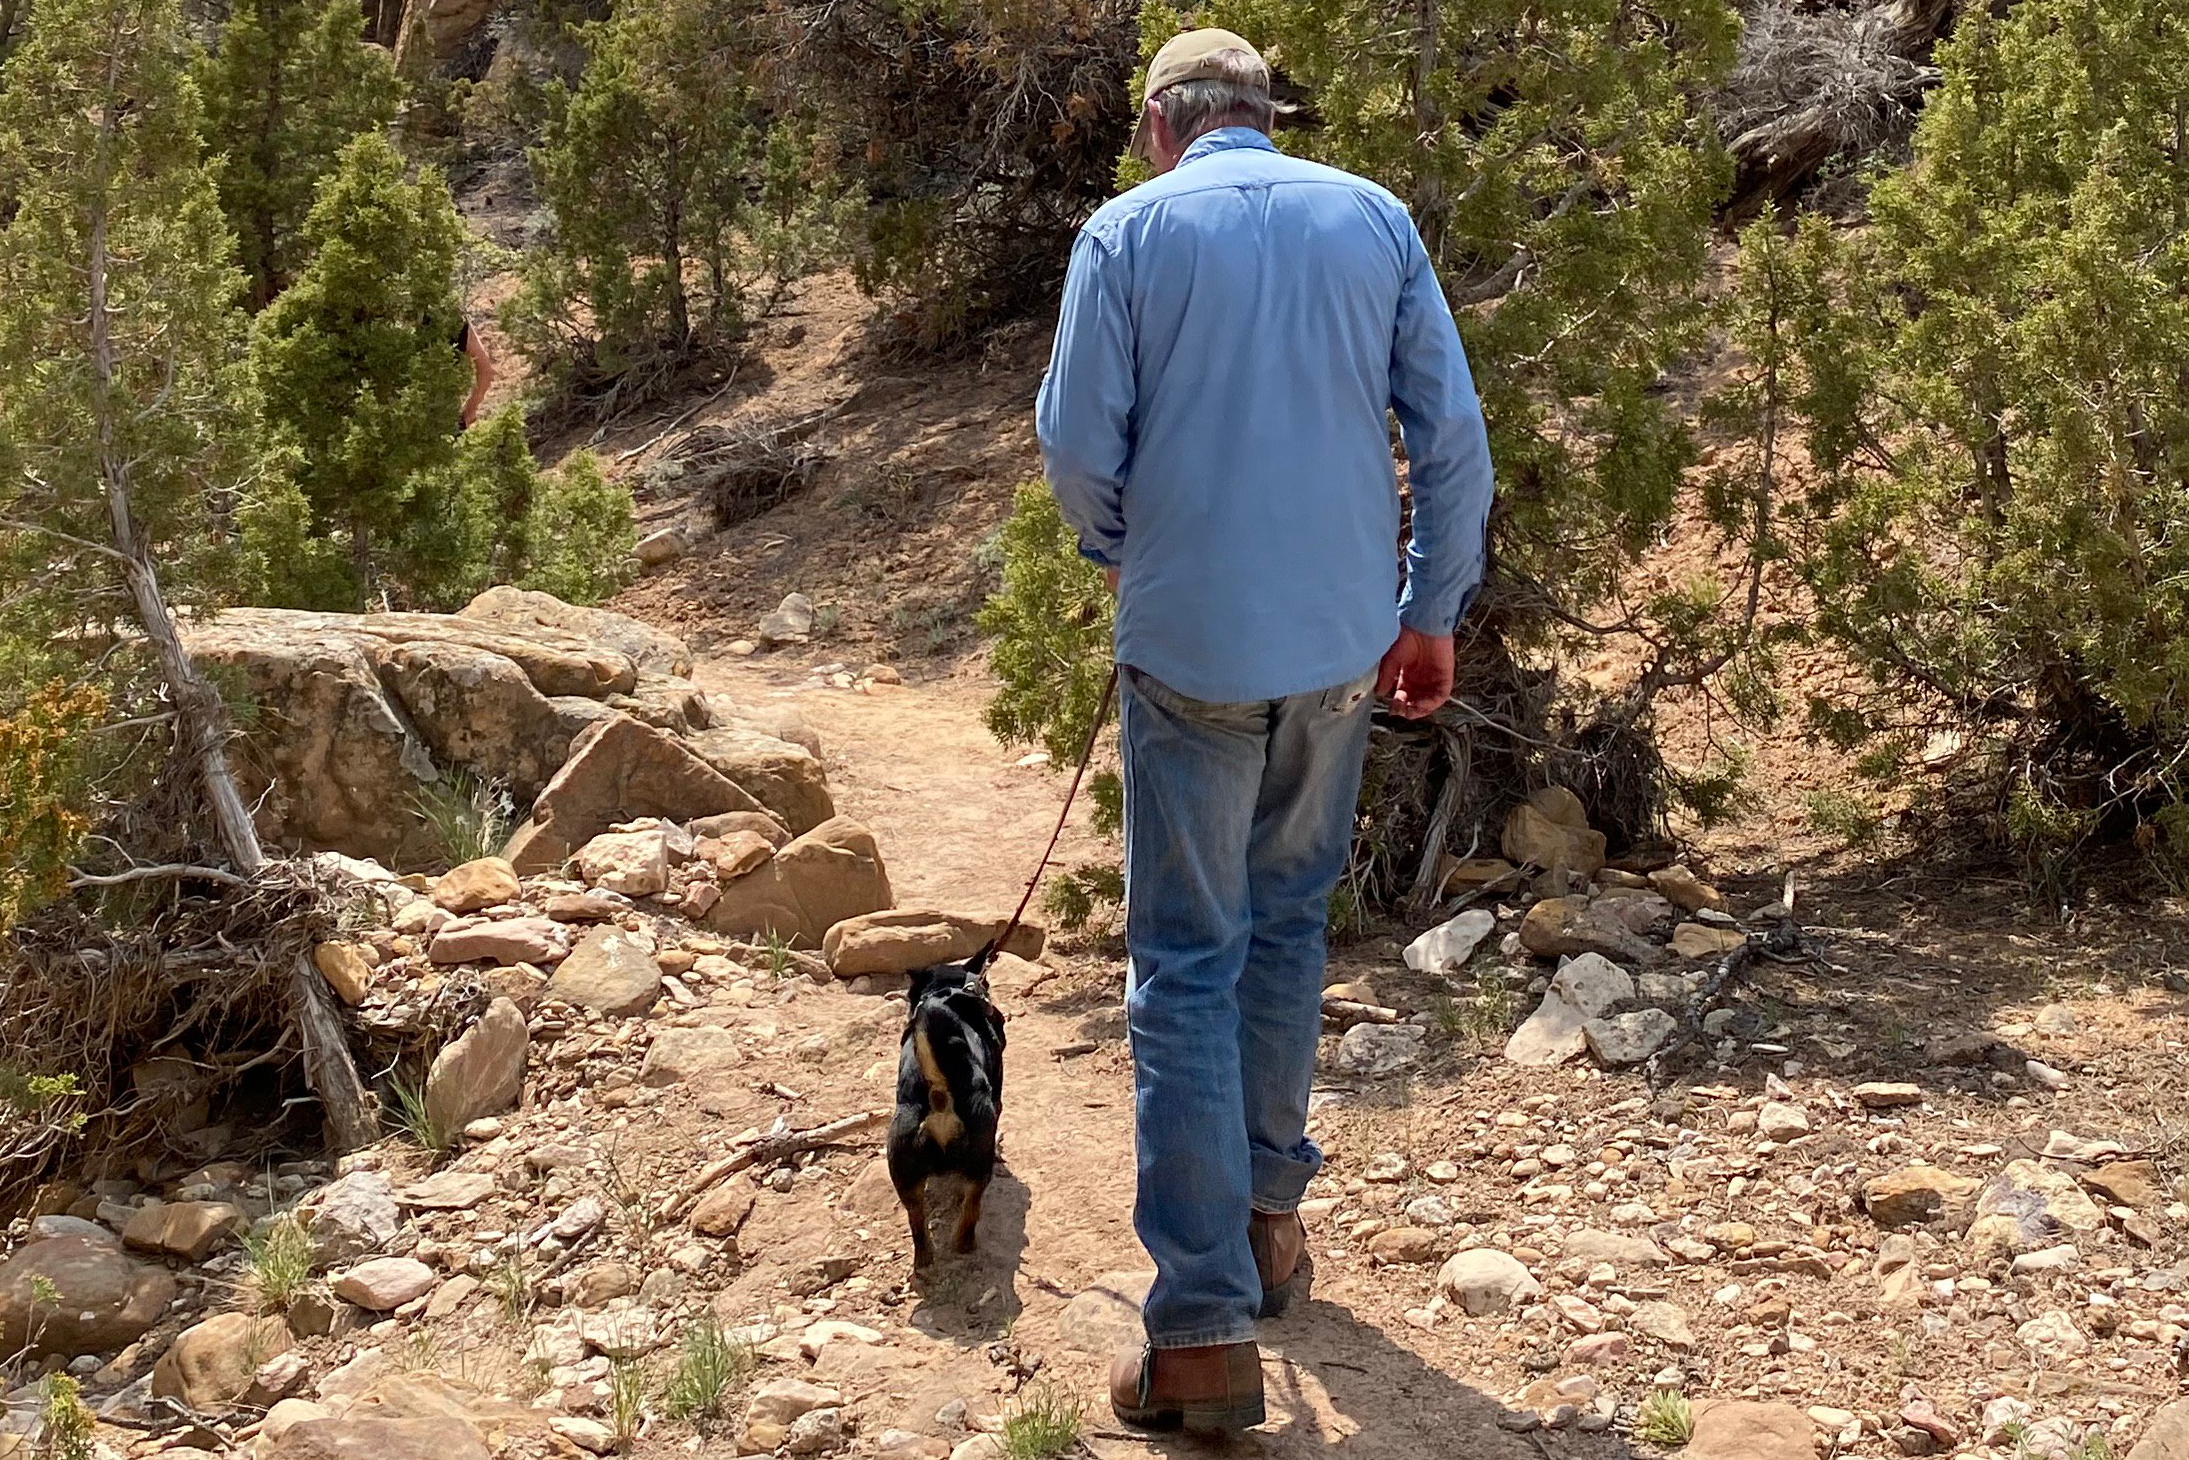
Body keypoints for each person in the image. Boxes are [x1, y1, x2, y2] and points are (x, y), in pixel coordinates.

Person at [1034, 27, 1496, 1435]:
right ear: (1264, 118)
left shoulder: (1125, 232)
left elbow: (1073, 445)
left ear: (1163, 127)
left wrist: (1128, 550)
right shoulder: (1371, 217)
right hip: (1339, 645)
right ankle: (1270, 1226)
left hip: (1190, 648)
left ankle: (1198, 1329)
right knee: (1288, 930)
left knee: (1184, 962)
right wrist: (1430, 606)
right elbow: (1451, 430)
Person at [456, 315, 494, 429]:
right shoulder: (453, 320)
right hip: (443, 417)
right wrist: (467, 414)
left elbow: (485, 371)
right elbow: (485, 370)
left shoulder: (453, 322)